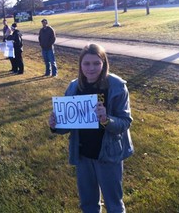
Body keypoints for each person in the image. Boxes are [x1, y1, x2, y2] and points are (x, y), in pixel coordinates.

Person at [48, 44, 134, 213]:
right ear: (80, 65)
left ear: (104, 63)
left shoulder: (116, 86)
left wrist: (106, 119)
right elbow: (67, 124)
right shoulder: (74, 87)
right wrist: (55, 125)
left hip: (108, 155)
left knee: (114, 204)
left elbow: (125, 122)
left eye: (96, 63)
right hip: (83, 155)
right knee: (88, 204)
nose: (91, 68)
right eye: (86, 63)